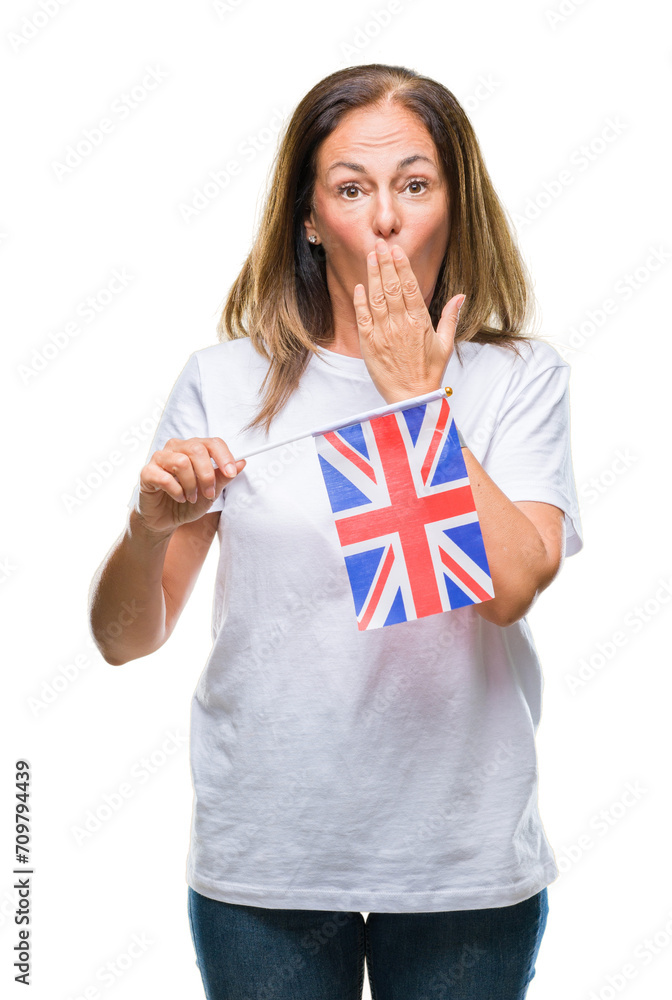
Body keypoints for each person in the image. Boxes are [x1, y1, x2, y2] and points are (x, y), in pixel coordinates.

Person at [88, 63, 583, 1000]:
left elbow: (513, 584)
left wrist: (411, 401)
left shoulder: (519, 379)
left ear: (455, 204)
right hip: (267, 856)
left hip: (459, 860)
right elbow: (123, 641)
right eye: (352, 189)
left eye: (415, 184)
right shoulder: (223, 379)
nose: (386, 218)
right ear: (310, 219)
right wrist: (147, 530)